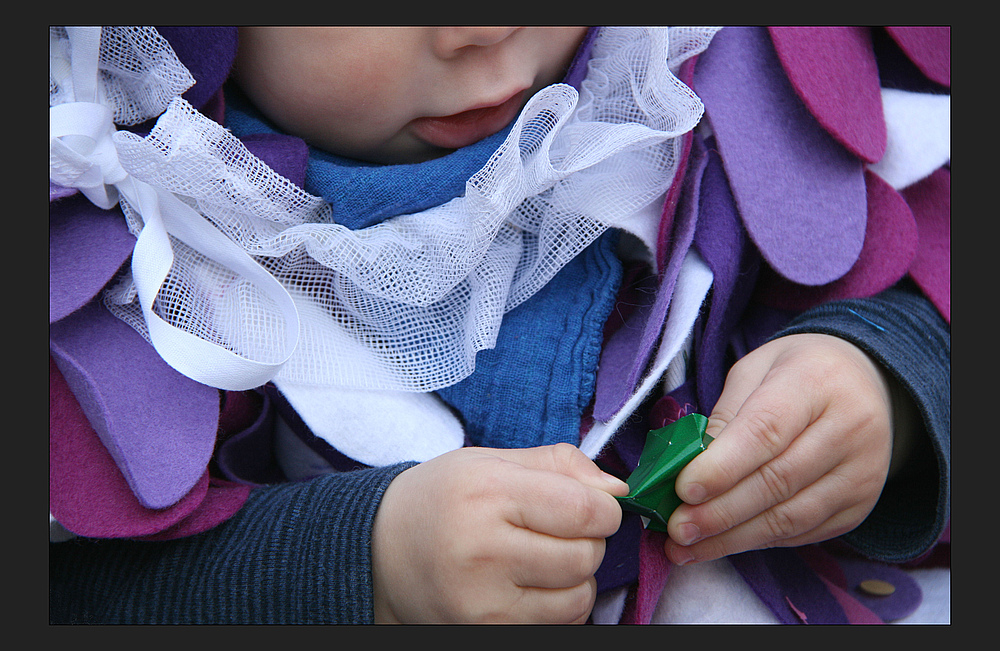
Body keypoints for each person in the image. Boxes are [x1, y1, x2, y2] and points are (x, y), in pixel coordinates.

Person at [49, 26, 950, 624]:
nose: (478, 27)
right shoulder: (124, 255)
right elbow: (71, 592)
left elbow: (924, 291)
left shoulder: (690, 87)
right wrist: (372, 563)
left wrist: (882, 385)